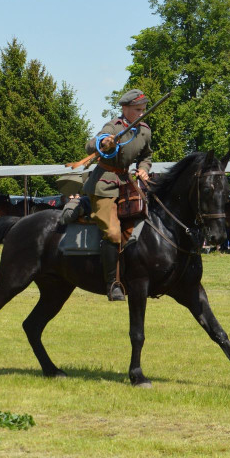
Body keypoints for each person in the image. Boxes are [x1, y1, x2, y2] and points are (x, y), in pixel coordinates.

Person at [82, 89, 152, 302]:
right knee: (113, 233)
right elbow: (90, 145)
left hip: (127, 184)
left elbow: (146, 155)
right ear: (125, 108)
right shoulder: (114, 126)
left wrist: (144, 169)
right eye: (137, 110)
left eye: (143, 109)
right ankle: (112, 284)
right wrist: (104, 142)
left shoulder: (145, 131)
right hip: (103, 185)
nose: (141, 114)